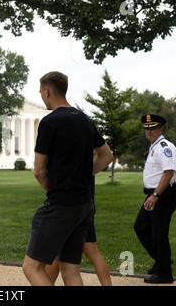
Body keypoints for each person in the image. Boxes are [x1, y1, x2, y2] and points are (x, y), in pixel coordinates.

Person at [22, 71, 113, 286]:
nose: (41, 96)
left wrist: (51, 189)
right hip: (84, 205)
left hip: (61, 205)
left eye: (41, 92)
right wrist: (84, 174)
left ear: (47, 91)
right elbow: (107, 155)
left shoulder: (49, 122)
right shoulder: (85, 119)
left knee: (31, 268)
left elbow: (38, 170)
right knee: (70, 269)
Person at [134, 114, 176, 284]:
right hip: (154, 194)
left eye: (153, 128)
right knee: (141, 226)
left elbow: (168, 173)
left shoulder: (165, 147)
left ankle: (165, 273)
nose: (149, 131)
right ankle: (162, 261)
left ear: (160, 128)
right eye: (147, 128)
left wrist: (155, 195)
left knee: (159, 234)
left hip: (162, 195)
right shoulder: (155, 146)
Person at [45, 176, 112, 286]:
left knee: (58, 256)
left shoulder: (72, 162)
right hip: (85, 207)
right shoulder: (86, 160)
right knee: (90, 253)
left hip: (68, 208)